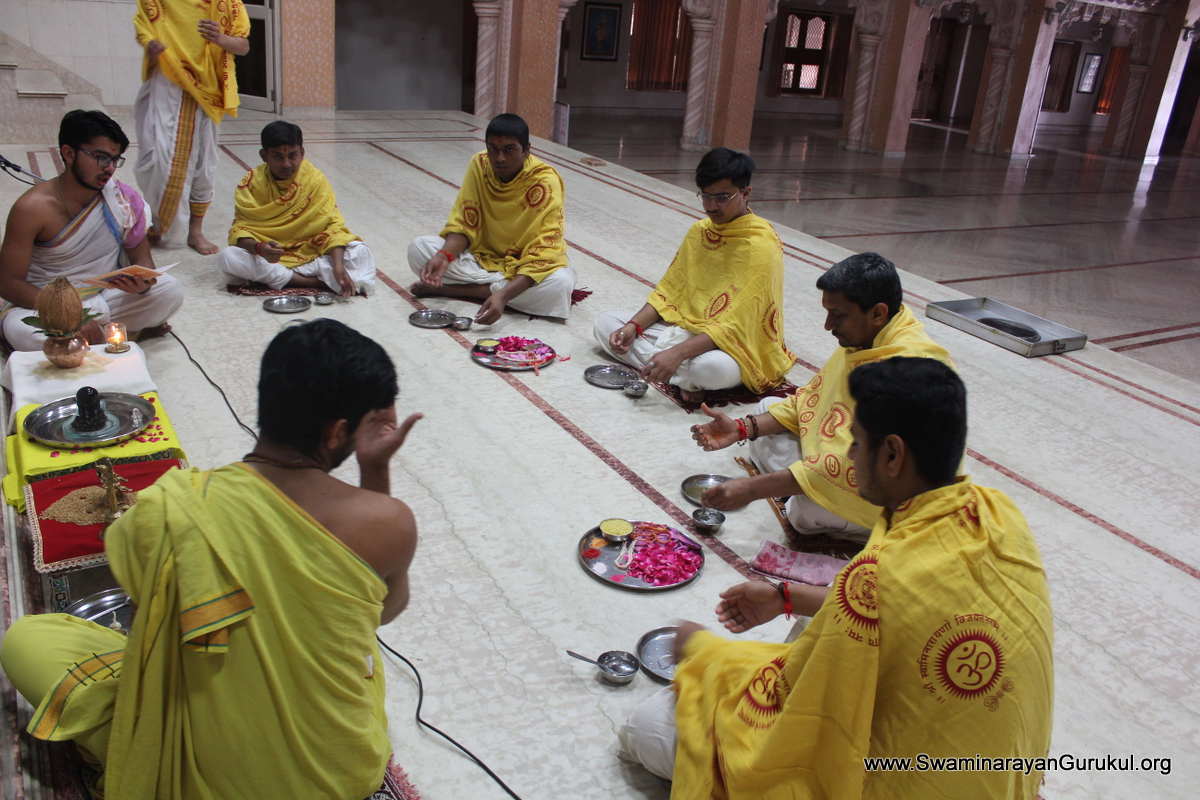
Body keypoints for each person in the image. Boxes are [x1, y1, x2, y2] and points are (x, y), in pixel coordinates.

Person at [0, 319, 422, 798]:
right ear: (337, 432)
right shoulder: (391, 522)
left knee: (29, 639)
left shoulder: (169, 509)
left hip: (205, 774)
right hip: (341, 773)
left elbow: (145, 627)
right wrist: (375, 470)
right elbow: (382, 613)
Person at [620, 357, 1054, 799]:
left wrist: (703, 653)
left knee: (648, 728)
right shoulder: (997, 511)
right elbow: (894, 612)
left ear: (892, 454)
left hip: (894, 781)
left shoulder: (876, 578)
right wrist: (784, 596)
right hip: (999, 774)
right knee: (819, 618)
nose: (848, 455)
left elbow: (800, 706)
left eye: (857, 443)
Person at [692, 253, 952, 541]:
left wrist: (751, 489)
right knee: (767, 408)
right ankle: (805, 477)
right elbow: (812, 402)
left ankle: (820, 491)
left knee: (804, 513)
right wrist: (741, 428)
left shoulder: (910, 371)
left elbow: (859, 465)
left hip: (888, 490)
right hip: (841, 452)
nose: (828, 326)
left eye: (838, 315)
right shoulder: (869, 336)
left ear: (878, 313)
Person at [593, 147, 795, 404]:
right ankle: (679, 377)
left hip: (734, 346)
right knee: (606, 324)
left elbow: (736, 326)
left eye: (722, 197)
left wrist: (677, 353)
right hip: (686, 329)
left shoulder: (760, 245)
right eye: (705, 196)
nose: (711, 206)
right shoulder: (699, 232)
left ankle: (674, 370)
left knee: (710, 369)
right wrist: (633, 326)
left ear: (746, 193)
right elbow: (669, 292)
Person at [0, 110, 183, 351]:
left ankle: (92, 336)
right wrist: (68, 313)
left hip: (103, 297)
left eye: (115, 159)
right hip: (47, 303)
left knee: (169, 290)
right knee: (24, 330)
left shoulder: (122, 199)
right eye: (101, 157)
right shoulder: (32, 208)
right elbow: (8, 283)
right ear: (69, 153)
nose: (110, 168)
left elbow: (143, 260)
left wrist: (144, 284)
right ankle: (115, 333)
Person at [407, 113, 576, 323]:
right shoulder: (480, 164)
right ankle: (495, 291)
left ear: (526, 150)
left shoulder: (545, 181)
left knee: (560, 284)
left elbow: (545, 249)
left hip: (525, 265)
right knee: (419, 248)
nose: (500, 158)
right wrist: (444, 257)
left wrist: (503, 295)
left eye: (509, 150)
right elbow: (465, 223)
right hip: (481, 258)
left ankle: (457, 291)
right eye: (493, 149)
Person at [133, 0, 249, 253]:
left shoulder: (226, 3)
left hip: (206, 91)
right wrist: (150, 46)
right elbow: (144, 28)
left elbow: (243, 45)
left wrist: (220, 38)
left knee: (202, 167)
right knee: (156, 160)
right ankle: (157, 224)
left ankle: (195, 232)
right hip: (167, 84)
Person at [217, 121, 376, 297]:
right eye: (278, 157)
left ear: (302, 153)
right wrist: (260, 248)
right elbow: (239, 230)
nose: (286, 164)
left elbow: (334, 227)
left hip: (312, 252)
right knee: (229, 257)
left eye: (293, 155)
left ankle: (287, 278)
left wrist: (338, 267)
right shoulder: (251, 184)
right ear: (264, 156)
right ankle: (315, 283)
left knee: (360, 251)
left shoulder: (315, 179)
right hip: (271, 259)